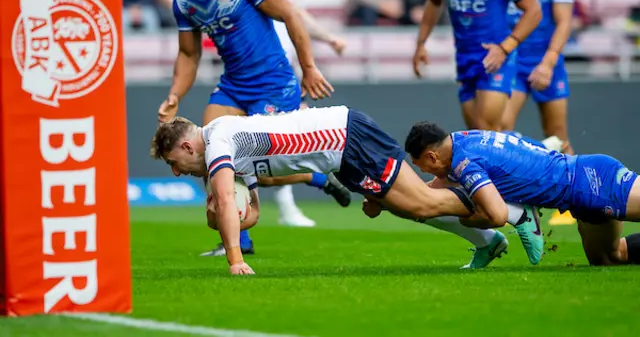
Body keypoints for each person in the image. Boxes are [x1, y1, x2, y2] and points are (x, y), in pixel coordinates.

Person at [149, 106, 544, 274]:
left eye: (173, 163)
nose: (177, 172)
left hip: (347, 137)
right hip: (341, 155)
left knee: (421, 203)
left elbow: (221, 198)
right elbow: (250, 213)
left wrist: (234, 258)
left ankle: (514, 212)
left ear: (186, 146)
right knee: (410, 208)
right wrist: (232, 213)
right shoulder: (228, 145)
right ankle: (488, 241)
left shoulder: (218, 141)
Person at [157, 0, 338, 258]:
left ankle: (320, 175)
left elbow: (291, 15)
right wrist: (174, 94)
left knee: (263, 174)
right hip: (233, 86)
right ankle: (240, 240)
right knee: (210, 150)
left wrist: (309, 67)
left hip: (273, 84)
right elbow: (188, 54)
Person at [233, 0, 349, 230]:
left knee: (274, 143)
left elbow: (297, 14)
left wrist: (328, 37)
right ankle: (311, 187)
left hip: (283, 71)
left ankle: (285, 207)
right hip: (247, 72)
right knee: (253, 147)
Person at [404, 122, 640, 267]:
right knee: (610, 258)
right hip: (581, 196)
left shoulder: (465, 162)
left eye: (421, 166)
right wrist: (391, 199)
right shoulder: (462, 139)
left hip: (594, 181)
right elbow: (435, 186)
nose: (424, 172)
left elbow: (496, 216)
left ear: (432, 156)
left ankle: (520, 213)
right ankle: (522, 211)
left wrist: (468, 219)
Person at [412, 0, 542, 131]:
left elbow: (534, 11)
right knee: (477, 135)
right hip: (465, 59)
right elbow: (434, 4)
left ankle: (542, 153)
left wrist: (506, 47)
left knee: (486, 129)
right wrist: (421, 43)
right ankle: (540, 151)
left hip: (496, 57)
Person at [502, 0, 577, 226]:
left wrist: (547, 63)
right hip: (512, 63)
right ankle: (513, 197)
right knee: (501, 130)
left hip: (547, 63)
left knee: (559, 136)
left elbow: (563, 23)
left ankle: (571, 203)